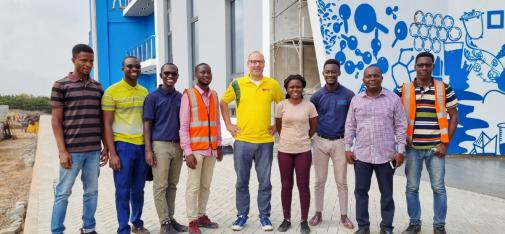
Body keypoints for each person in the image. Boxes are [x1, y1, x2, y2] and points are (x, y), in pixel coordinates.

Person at [220, 51, 284, 231]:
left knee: (265, 182)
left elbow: (283, 105)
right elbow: (223, 103)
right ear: (248, 64)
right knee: (242, 181)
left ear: (264, 64)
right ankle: (241, 215)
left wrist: (277, 126)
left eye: (260, 62)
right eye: (253, 62)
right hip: (242, 141)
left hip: (265, 142)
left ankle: (265, 216)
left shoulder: (272, 84)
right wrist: (229, 126)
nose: (257, 65)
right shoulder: (238, 84)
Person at [397, 52, 458, 234]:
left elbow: (454, 116)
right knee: (412, 187)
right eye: (420, 65)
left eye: (428, 65)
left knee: (438, 188)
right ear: (415, 66)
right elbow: (394, 116)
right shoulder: (404, 89)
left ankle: (439, 226)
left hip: (435, 148)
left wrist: (445, 144)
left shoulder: (444, 88)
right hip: (412, 148)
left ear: (433, 67)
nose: (424, 68)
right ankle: (415, 223)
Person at [50, 44, 108, 234]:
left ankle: (89, 228)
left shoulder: (98, 88)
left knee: (91, 193)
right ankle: (57, 230)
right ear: (74, 59)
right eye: (83, 60)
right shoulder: (61, 85)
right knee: (63, 193)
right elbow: (56, 122)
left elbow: (101, 121)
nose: (88, 64)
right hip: (72, 152)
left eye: (91, 61)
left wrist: (106, 147)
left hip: (93, 151)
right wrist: (62, 151)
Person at [344, 65, 407, 234]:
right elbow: (350, 125)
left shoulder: (393, 99)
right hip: (362, 156)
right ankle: (363, 227)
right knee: (361, 193)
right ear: (364, 80)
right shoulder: (356, 100)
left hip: (386, 157)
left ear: (381, 78)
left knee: (387, 194)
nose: (372, 79)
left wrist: (400, 151)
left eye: (376, 76)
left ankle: (386, 227)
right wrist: (347, 148)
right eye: (369, 76)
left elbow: (401, 126)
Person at [102, 56, 150, 234]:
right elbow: (106, 123)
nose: (134, 69)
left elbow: (147, 122)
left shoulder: (144, 92)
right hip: (122, 146)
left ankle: (137, 222)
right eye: (130, 66)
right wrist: (112, 153)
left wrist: (148, 149)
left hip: (141, 146)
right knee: (122, 191)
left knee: (138, 189)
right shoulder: (111, 92)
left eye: (137, 66)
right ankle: (123, 228)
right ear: (122, 68)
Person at [308, 59, 355, 229]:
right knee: (319, 180)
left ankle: (344, 216)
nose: (330, 75)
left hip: (340, 143)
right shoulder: (317, 96)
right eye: (327, 72)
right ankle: (318, 213)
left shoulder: (348, 95)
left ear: (339, 73)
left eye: (333, 71)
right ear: (323, 73)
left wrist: (351, 145)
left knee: (341, 181)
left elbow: (354, 120)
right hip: (320, 141)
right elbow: (309, 119)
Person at [143, 63, 187, 234]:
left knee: (172, 185)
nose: (170, 76)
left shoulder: (180, 97)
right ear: (161, 75)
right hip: (159, 145)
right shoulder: (152, 98)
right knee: (160, 185)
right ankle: (164, 223)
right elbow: (147, 124)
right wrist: (148, 150)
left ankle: (170, 218)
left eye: (174, 73)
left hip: (177, 145)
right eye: (167, 73)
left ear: (177, 76)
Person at [180, 63, 223, 234]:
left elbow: (217, 122)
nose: (206, 74)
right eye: (202, 72)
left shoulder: (214, 95)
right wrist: (187, 151)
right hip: (195, 151)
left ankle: (201, 215)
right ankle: (192, 221)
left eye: (208, 72)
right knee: (193, 186)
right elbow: (183, 127)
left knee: (205, 185)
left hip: (212, 149)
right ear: (196, 75)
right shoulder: (188, 95)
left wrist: (219, 145)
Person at [275, 75, 317, 234]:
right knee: (286, 185)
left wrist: (303, 138)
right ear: (287, 88)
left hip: (303, 151)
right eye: (291, 87)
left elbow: (313, 128)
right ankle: (286, 219)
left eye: (298, 87)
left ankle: (304, 220)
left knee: (303, 186)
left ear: (302, 88)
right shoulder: (281, 105)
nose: (295, 89)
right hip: (285, 151)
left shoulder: (309, 106)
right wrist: (288, 139)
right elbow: (279, 127)